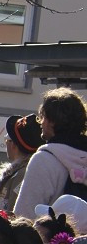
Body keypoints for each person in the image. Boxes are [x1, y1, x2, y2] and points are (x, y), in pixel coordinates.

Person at [13, 87, 87, 218]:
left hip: (52, 238)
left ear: (52, 121)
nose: (40, 122)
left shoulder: (44, 160)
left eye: (43, 117)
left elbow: (24, 215)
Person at [0, 114, 44, 216]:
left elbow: (12, 214)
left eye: (7, 140)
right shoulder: (19, 172)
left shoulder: (22, 174)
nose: (6, 144)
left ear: (13, 144)